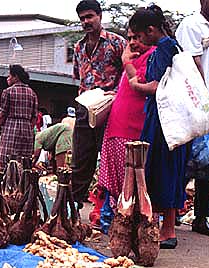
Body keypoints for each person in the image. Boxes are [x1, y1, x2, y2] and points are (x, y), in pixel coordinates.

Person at [128, 4, 187, 249]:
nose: (139, 41)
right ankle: (162, 227)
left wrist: (137, 86)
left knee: (162, 169)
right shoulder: (172, 47)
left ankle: (166, 230)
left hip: (165, 121)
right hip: (170, 119)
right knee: (168, 170)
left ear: (151, 30)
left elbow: (158, 86)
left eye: (139, 36)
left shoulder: (164, 49)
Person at [176, 0, 209, 237]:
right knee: (186, 162)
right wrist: (204, 104)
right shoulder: (191, 25)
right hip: (197, 106)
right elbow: (191, 64)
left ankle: (201, 217)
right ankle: (171, 209)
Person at [98, 28, 155, 233]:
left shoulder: (152, 56)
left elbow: (140, 84)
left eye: (137, 37)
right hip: (116, 124)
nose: (132, 42)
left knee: (131, 180)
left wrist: (126, 62)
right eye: (130, 37)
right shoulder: (133, 57)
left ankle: (130, 225)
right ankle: (114, 221)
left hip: (133, 127)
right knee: (115, 178)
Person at [71, 0, 126, 203]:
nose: (86, 21)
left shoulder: (117, 42)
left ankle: (111, 208)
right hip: (85, 106)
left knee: (110, 158)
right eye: (82, 18)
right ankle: (73, 208)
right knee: (80, 159)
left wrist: (116, 93)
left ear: (99, 16)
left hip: (110, 106)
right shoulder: (78, 47)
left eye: (90, 16)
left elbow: (129, 73)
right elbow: (78, 76)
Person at [0, 64, 38, 168]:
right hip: (27, 129)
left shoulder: (8, 92)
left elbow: (3, 114)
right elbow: (34, 117)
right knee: (24, 163)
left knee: (6, 162)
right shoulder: (33, 94)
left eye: (9, 76)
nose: (7, 78)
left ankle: (6, 183)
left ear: (16, 77)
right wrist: (28, 129)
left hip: (11, 128)